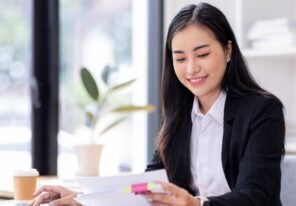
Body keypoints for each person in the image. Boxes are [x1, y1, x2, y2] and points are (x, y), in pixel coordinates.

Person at [30, 2, 285, 206]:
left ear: (228, 51)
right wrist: (83, 198)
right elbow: (146, 187)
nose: (191, 68)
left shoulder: (262, 111)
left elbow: (256, 195)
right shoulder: (178, 113)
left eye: (203, 54)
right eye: (180, 58)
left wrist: (196, 204)